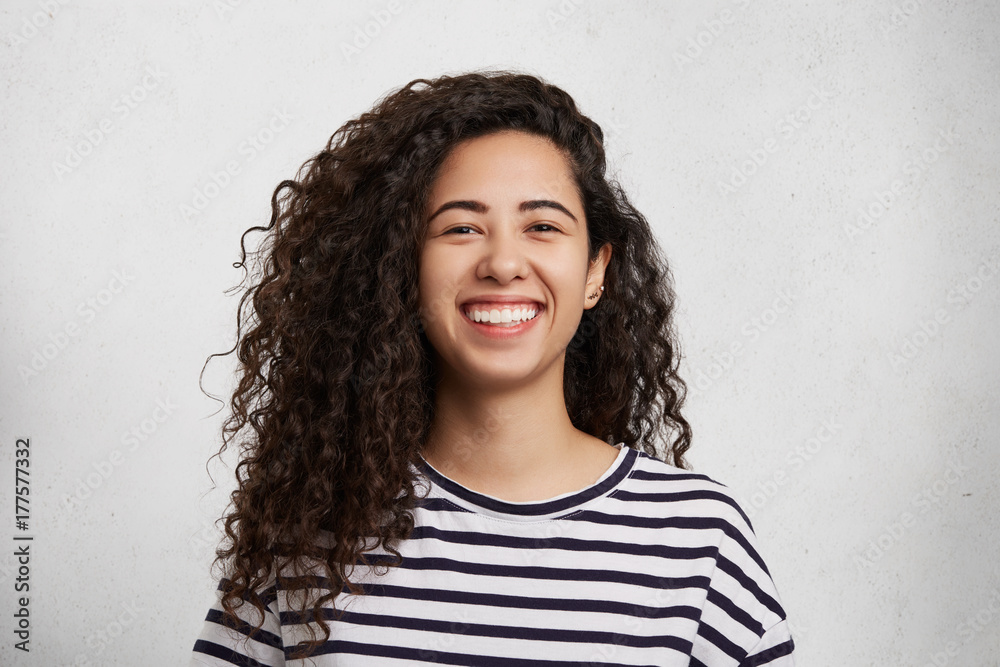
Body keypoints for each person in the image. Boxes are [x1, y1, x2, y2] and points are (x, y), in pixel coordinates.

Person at [189, 68, 796, 666]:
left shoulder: (696, 540)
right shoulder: (311, 537)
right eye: (460, 227)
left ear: (594, 272)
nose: (504, 262)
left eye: (542, 226)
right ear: (403, 267)